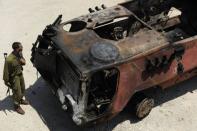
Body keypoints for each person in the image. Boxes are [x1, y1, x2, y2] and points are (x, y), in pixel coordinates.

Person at [3, 42, 29, 115]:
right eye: (21, 47)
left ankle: (20, 99)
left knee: (23, 88)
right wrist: (6, 81)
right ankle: (16, 106)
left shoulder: (19, 54)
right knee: (17, 91)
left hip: (20, 74)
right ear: (16, 48)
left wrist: (21, 57)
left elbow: (24, 63)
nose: (22, 48)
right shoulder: (9, 59)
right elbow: (6, 71)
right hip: (14, 77)